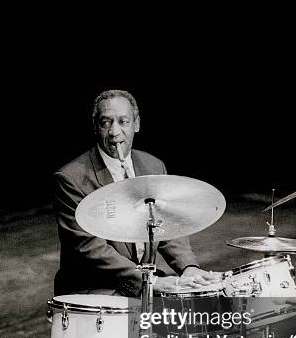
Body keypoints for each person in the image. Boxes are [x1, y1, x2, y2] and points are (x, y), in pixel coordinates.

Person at [53, 89, 220, 297]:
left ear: (136, 124)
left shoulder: (153, 166)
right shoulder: (71, 178)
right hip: (95, 287)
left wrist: (188, 268)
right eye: (106, 123)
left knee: (201, 308)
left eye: (123, 122)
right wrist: (150, 281)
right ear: (95, 126)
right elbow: (89, 248)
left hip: (143, 282)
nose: (114, 132)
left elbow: (167, 226)